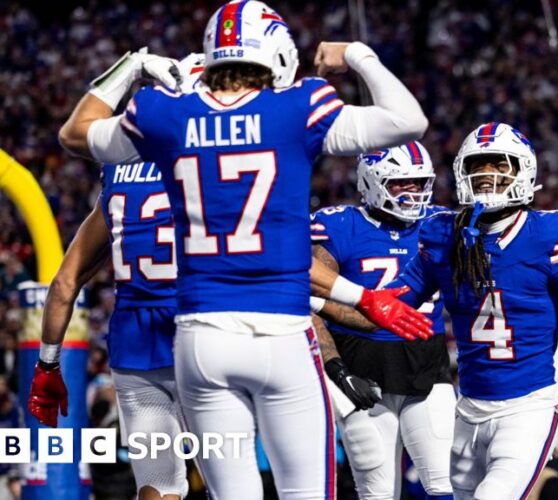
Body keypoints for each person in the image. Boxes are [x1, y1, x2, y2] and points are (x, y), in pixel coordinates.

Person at [47, 1, 433, 497]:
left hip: (201, 338)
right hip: (280, 331)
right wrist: (357, 55)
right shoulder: (298, 106)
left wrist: (133, 65)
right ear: (276, 52)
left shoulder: (164, 116)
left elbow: (74, 134)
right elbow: (407, 121)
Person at [330, 122, 558, 499]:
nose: (488, 176)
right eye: (479, 165)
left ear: (523, 171)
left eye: (500, 165)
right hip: (468, 410)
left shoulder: (549, 236)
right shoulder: (443, 235)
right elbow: (385, 311)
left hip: (527, 410)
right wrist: (311, 302)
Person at [28, 55, 205, 500]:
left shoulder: (118, 169)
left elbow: (65, 282)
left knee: (158, 484)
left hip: (135, 342)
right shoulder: (215, 157)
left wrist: (48, 364)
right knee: (232, 475)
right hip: (205, 325)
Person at [310, 142, 455, 498]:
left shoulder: (440, 224)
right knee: (377, 491)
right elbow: (307, 303)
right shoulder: (338, 225)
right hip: (360, 367)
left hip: (427, 363)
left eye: (419, 182)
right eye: (401, 183)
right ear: (371, 182)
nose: (413, 193)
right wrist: (337, 371)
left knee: (444, 484)